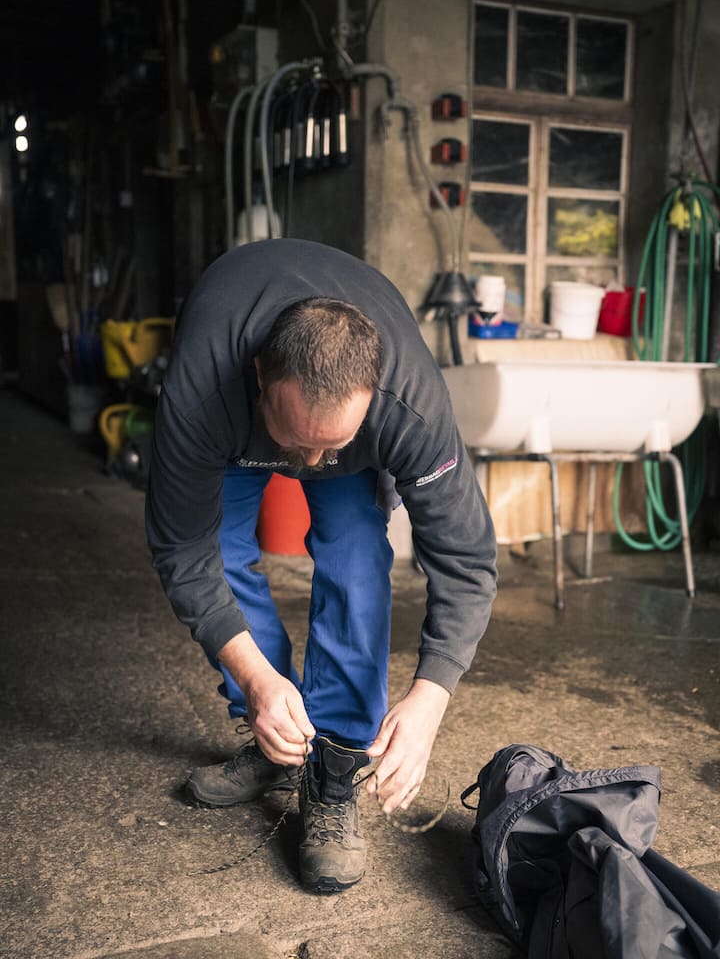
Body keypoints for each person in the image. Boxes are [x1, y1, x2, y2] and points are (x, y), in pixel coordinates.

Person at [146, 238, 497, 893]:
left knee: (357, 545)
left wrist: (430, 698)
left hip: (342, 431)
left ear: (372, 398)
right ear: (258, 376)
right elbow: (183, 547)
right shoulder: (203, 391)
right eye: (296, 441)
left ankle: (334, 758)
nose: (308, 464)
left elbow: (467, 554)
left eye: (327, 444)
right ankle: (277, 728)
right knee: (222, 548)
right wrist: (254, 678)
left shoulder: (408, 404)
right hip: (234, 429)